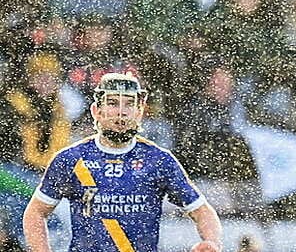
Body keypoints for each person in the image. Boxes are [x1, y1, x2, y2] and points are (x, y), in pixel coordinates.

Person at [22, 72, 222, 252]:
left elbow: (202, 212)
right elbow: (35, 213)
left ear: (139, 111)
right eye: (112, 103)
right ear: (96, 111)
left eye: (129, 103)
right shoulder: (71, 159)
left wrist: (212, 243)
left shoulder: (159, 161)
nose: (121, 112)